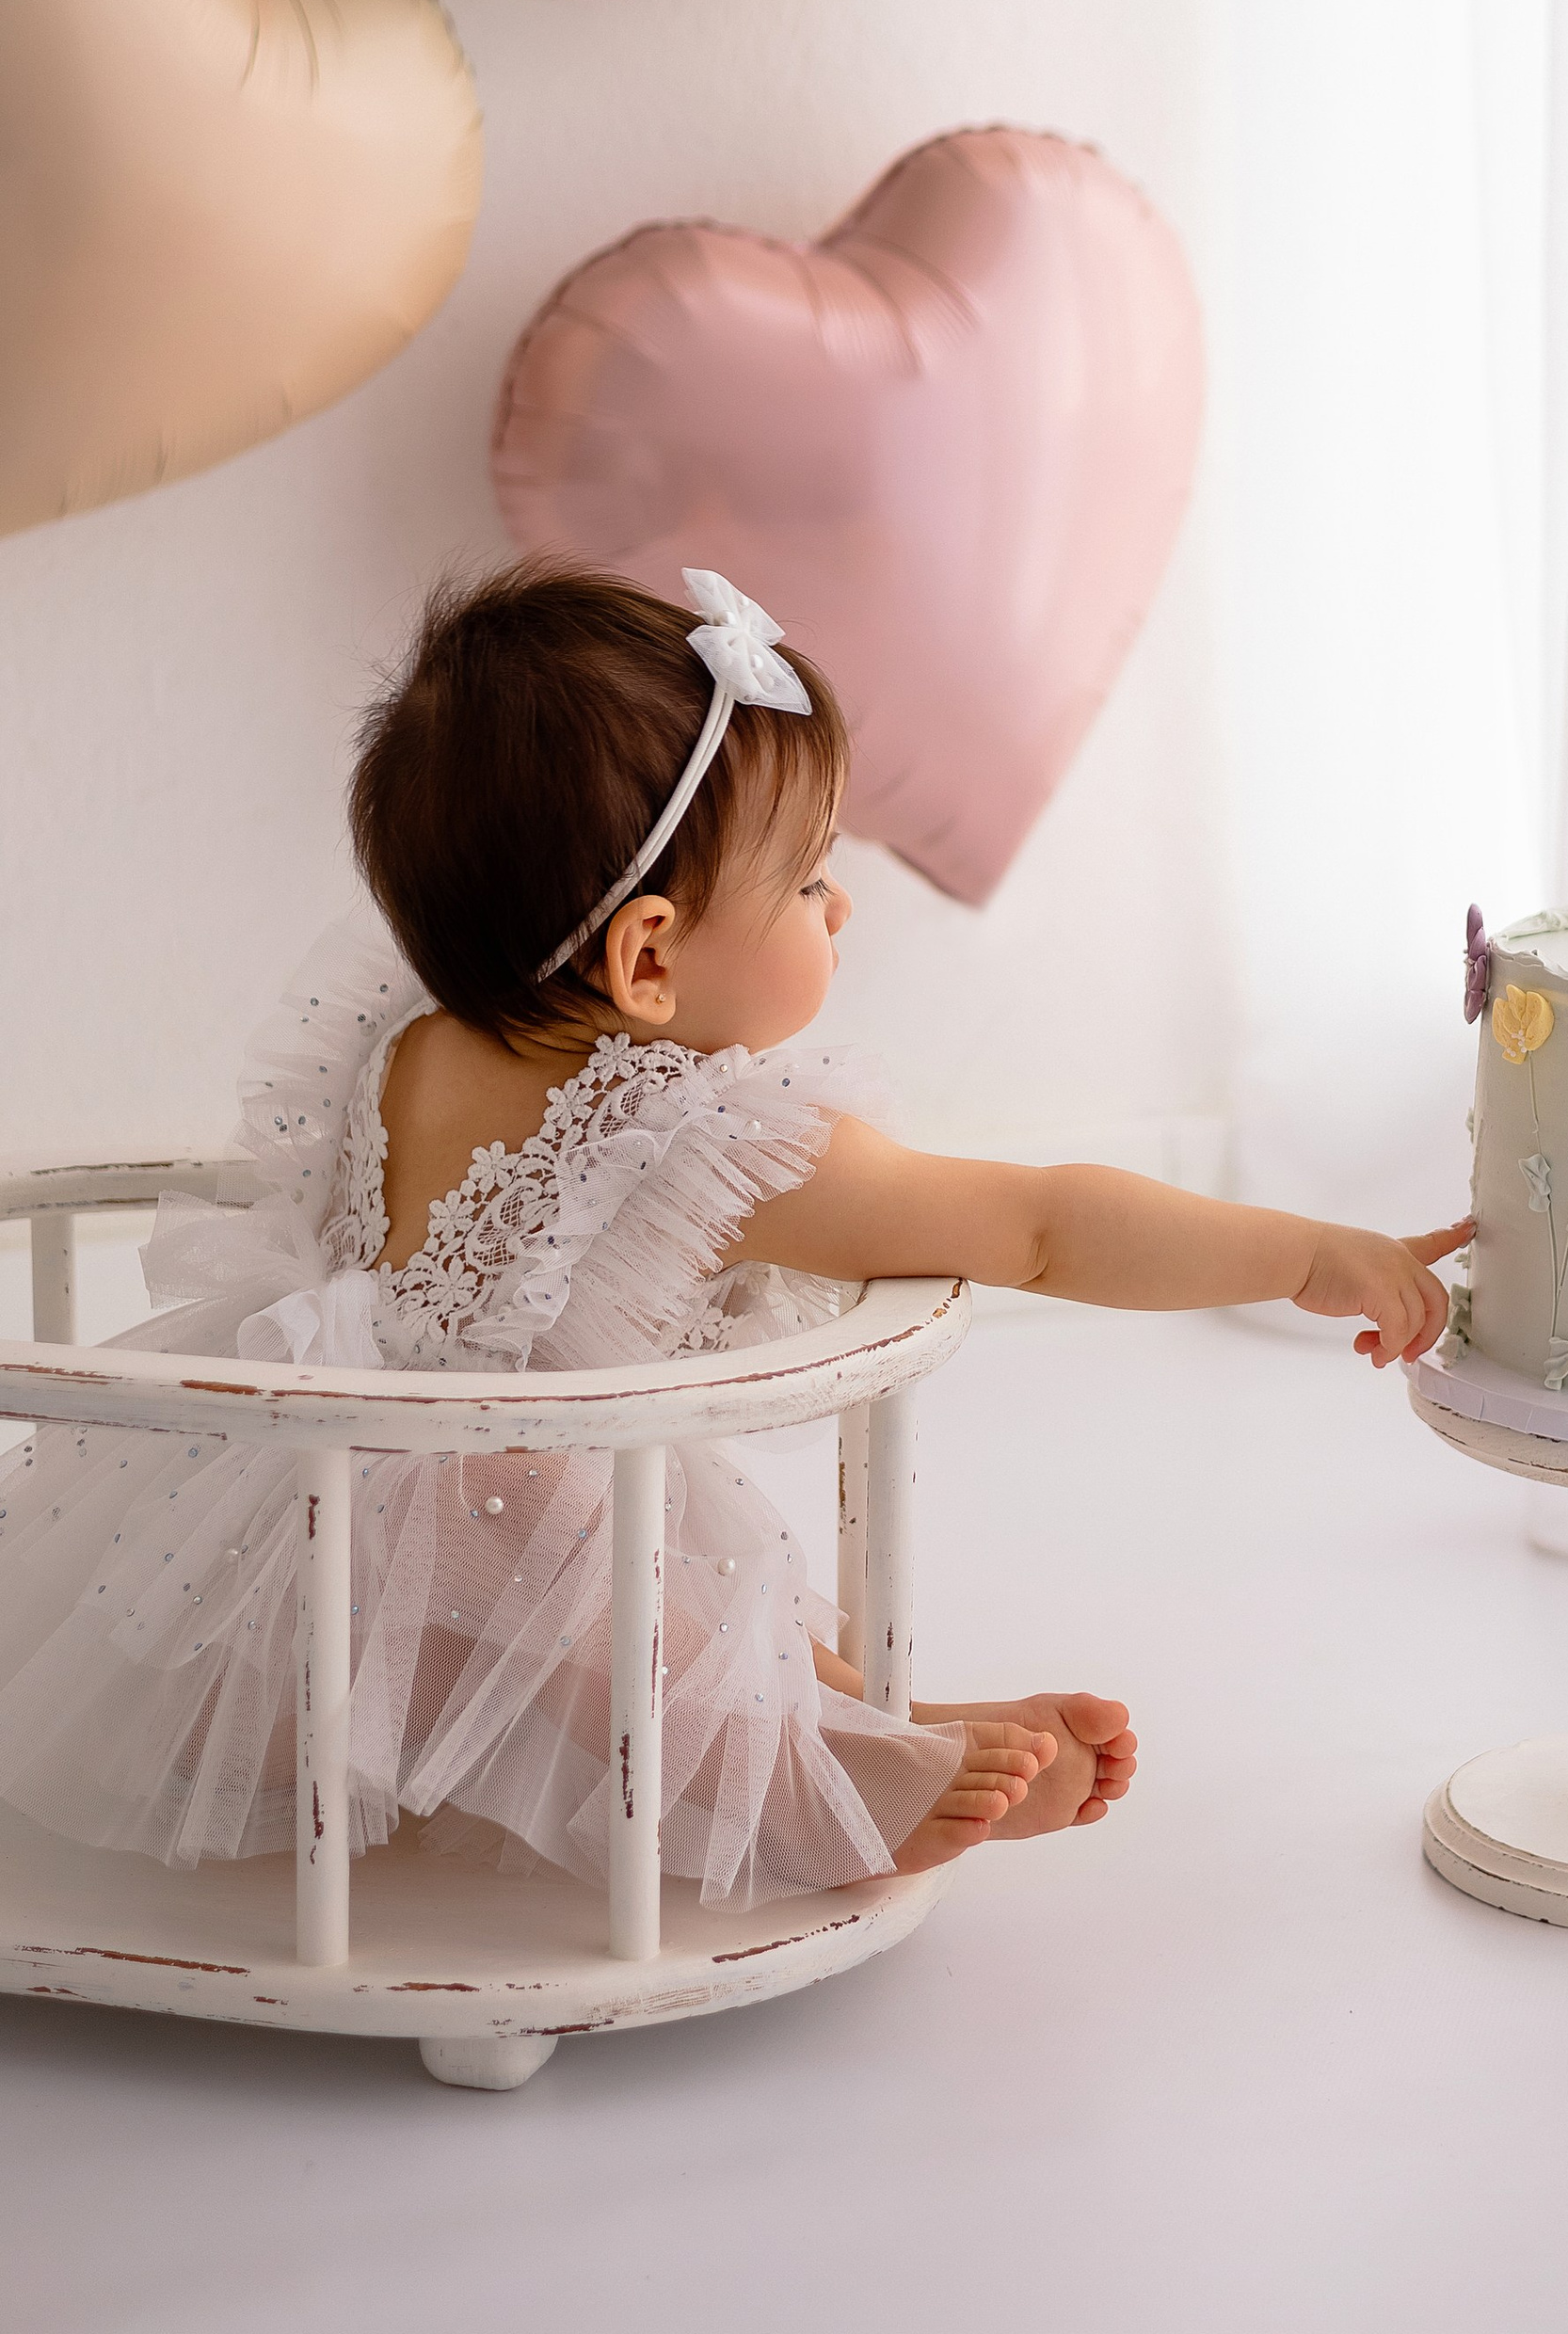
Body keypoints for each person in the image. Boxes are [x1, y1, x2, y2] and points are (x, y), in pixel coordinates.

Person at [0, 566, 1469, 1907]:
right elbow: (1037, 1223)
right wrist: (1302, 1252)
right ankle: (808, 1782)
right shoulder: (692, 1140)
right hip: (414, 1584)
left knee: (650, 1551)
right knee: (566, 1527)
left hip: (250, 1553)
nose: (845, 903)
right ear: (648, 959)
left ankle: (841, 1712)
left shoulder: (405, 1033)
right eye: (811, 876)